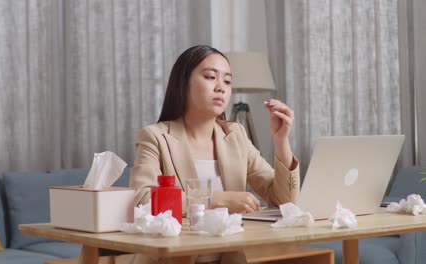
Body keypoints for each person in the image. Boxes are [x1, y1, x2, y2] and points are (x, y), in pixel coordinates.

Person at [124, 45, 300, 264]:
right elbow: (142, 200)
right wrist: (217, 200)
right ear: (183, 83)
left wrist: (281, 140)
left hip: (228, 257)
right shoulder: (155, 137)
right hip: (171, 259)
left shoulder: (235, 135)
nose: (221, 87)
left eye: (227, 81)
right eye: (210, 77)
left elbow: (284, 200)